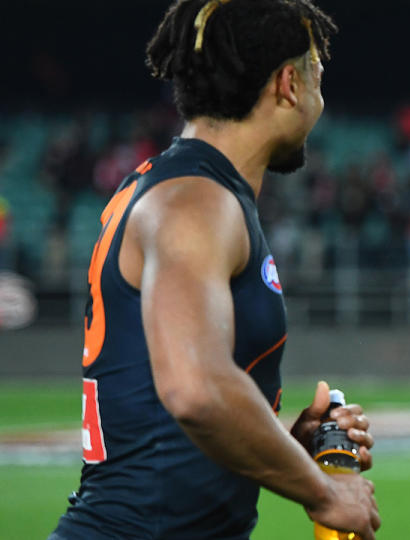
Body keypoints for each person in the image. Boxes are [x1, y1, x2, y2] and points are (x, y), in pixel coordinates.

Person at [50, 1, 379, 538]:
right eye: (318, 76)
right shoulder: (195, 203)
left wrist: (280, 442)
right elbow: (195, 389)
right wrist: (323, 491)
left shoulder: (184, 186)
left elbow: (169, 414)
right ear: (288, 84)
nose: (321, 98)